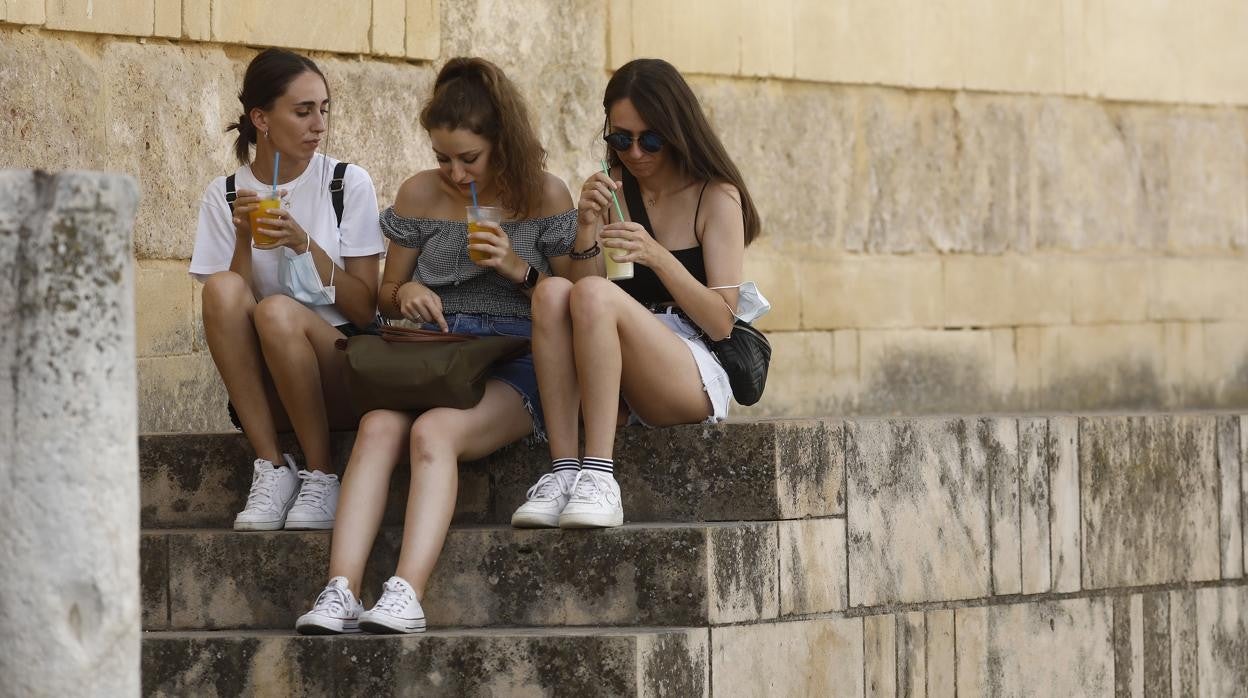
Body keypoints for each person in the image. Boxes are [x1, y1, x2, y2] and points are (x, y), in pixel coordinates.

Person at [295, 57, 577, 635]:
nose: (453, 171)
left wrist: (518, 268)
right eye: (441, 157)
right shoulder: (419, 195)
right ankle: (340, 590)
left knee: (432, 433)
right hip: (435, 351)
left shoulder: (545, 195)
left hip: (514, 357)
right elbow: (384, 294)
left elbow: (584, 303)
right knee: (376, 427)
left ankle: (406, 594)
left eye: (467, 158)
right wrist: (410, 291)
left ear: (503, 142)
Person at [510, 58, 761, 529]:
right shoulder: (617, 190)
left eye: (650, 139)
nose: (635, 152)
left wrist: (657, 255)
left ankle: (601, 474)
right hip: (623, 355)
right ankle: (565, 471)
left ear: (677, 131)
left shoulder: (715, 196)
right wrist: (586, 230)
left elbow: (722, 321)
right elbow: (585, 296)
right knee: (553, 294)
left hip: (692, 365)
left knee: (595, 298)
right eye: (620, 139)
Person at [189, 48, 385, 532]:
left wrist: (305, 243)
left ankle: (322, 473)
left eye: (323, 109)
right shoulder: (227, 194)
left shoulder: (346, 183)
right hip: (267, 381)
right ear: (261, 118)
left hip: (341, 364)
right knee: (220, 289)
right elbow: (232, 305)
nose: (318, 124)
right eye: (303, 111)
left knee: (277, 311)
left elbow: (366, 307)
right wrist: (242, 237)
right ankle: (272, 466)